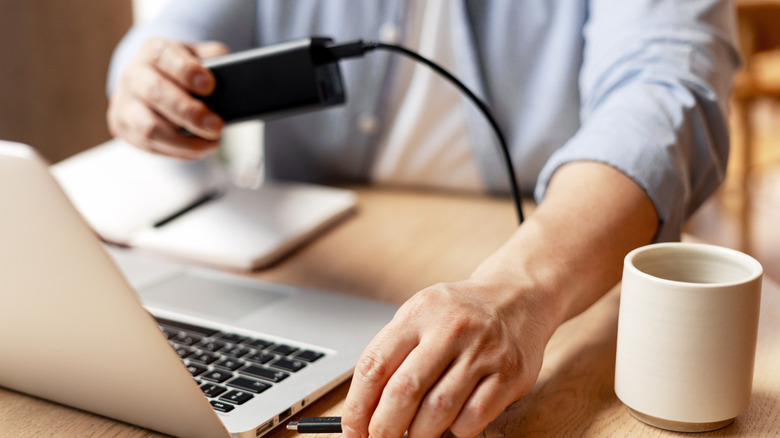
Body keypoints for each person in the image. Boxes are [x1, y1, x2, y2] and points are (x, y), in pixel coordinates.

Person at [106, 1, 739, 437]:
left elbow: (665, 89)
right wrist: (148, 76)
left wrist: (519, 292)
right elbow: (167, 35)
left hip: (553, 255)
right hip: (304, 261)